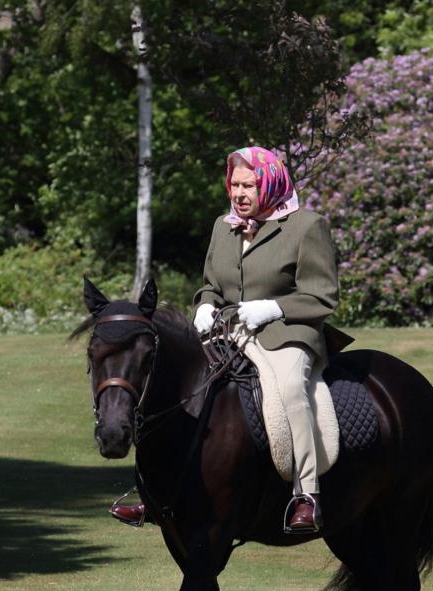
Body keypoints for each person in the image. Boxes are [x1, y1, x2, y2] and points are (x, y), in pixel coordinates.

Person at [111, 146, 339, 532]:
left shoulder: (307, 226)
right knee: (168, 383)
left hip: (286, 333)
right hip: (228, 332)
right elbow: (211, 286)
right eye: (234, 184)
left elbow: (322, 295)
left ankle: (306, 494)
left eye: (248, 184)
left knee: (289, 390)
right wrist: (204, 305)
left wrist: (274, 308)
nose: (238, 193)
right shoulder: (224, 225)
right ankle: (152, 493)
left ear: (269, 182)